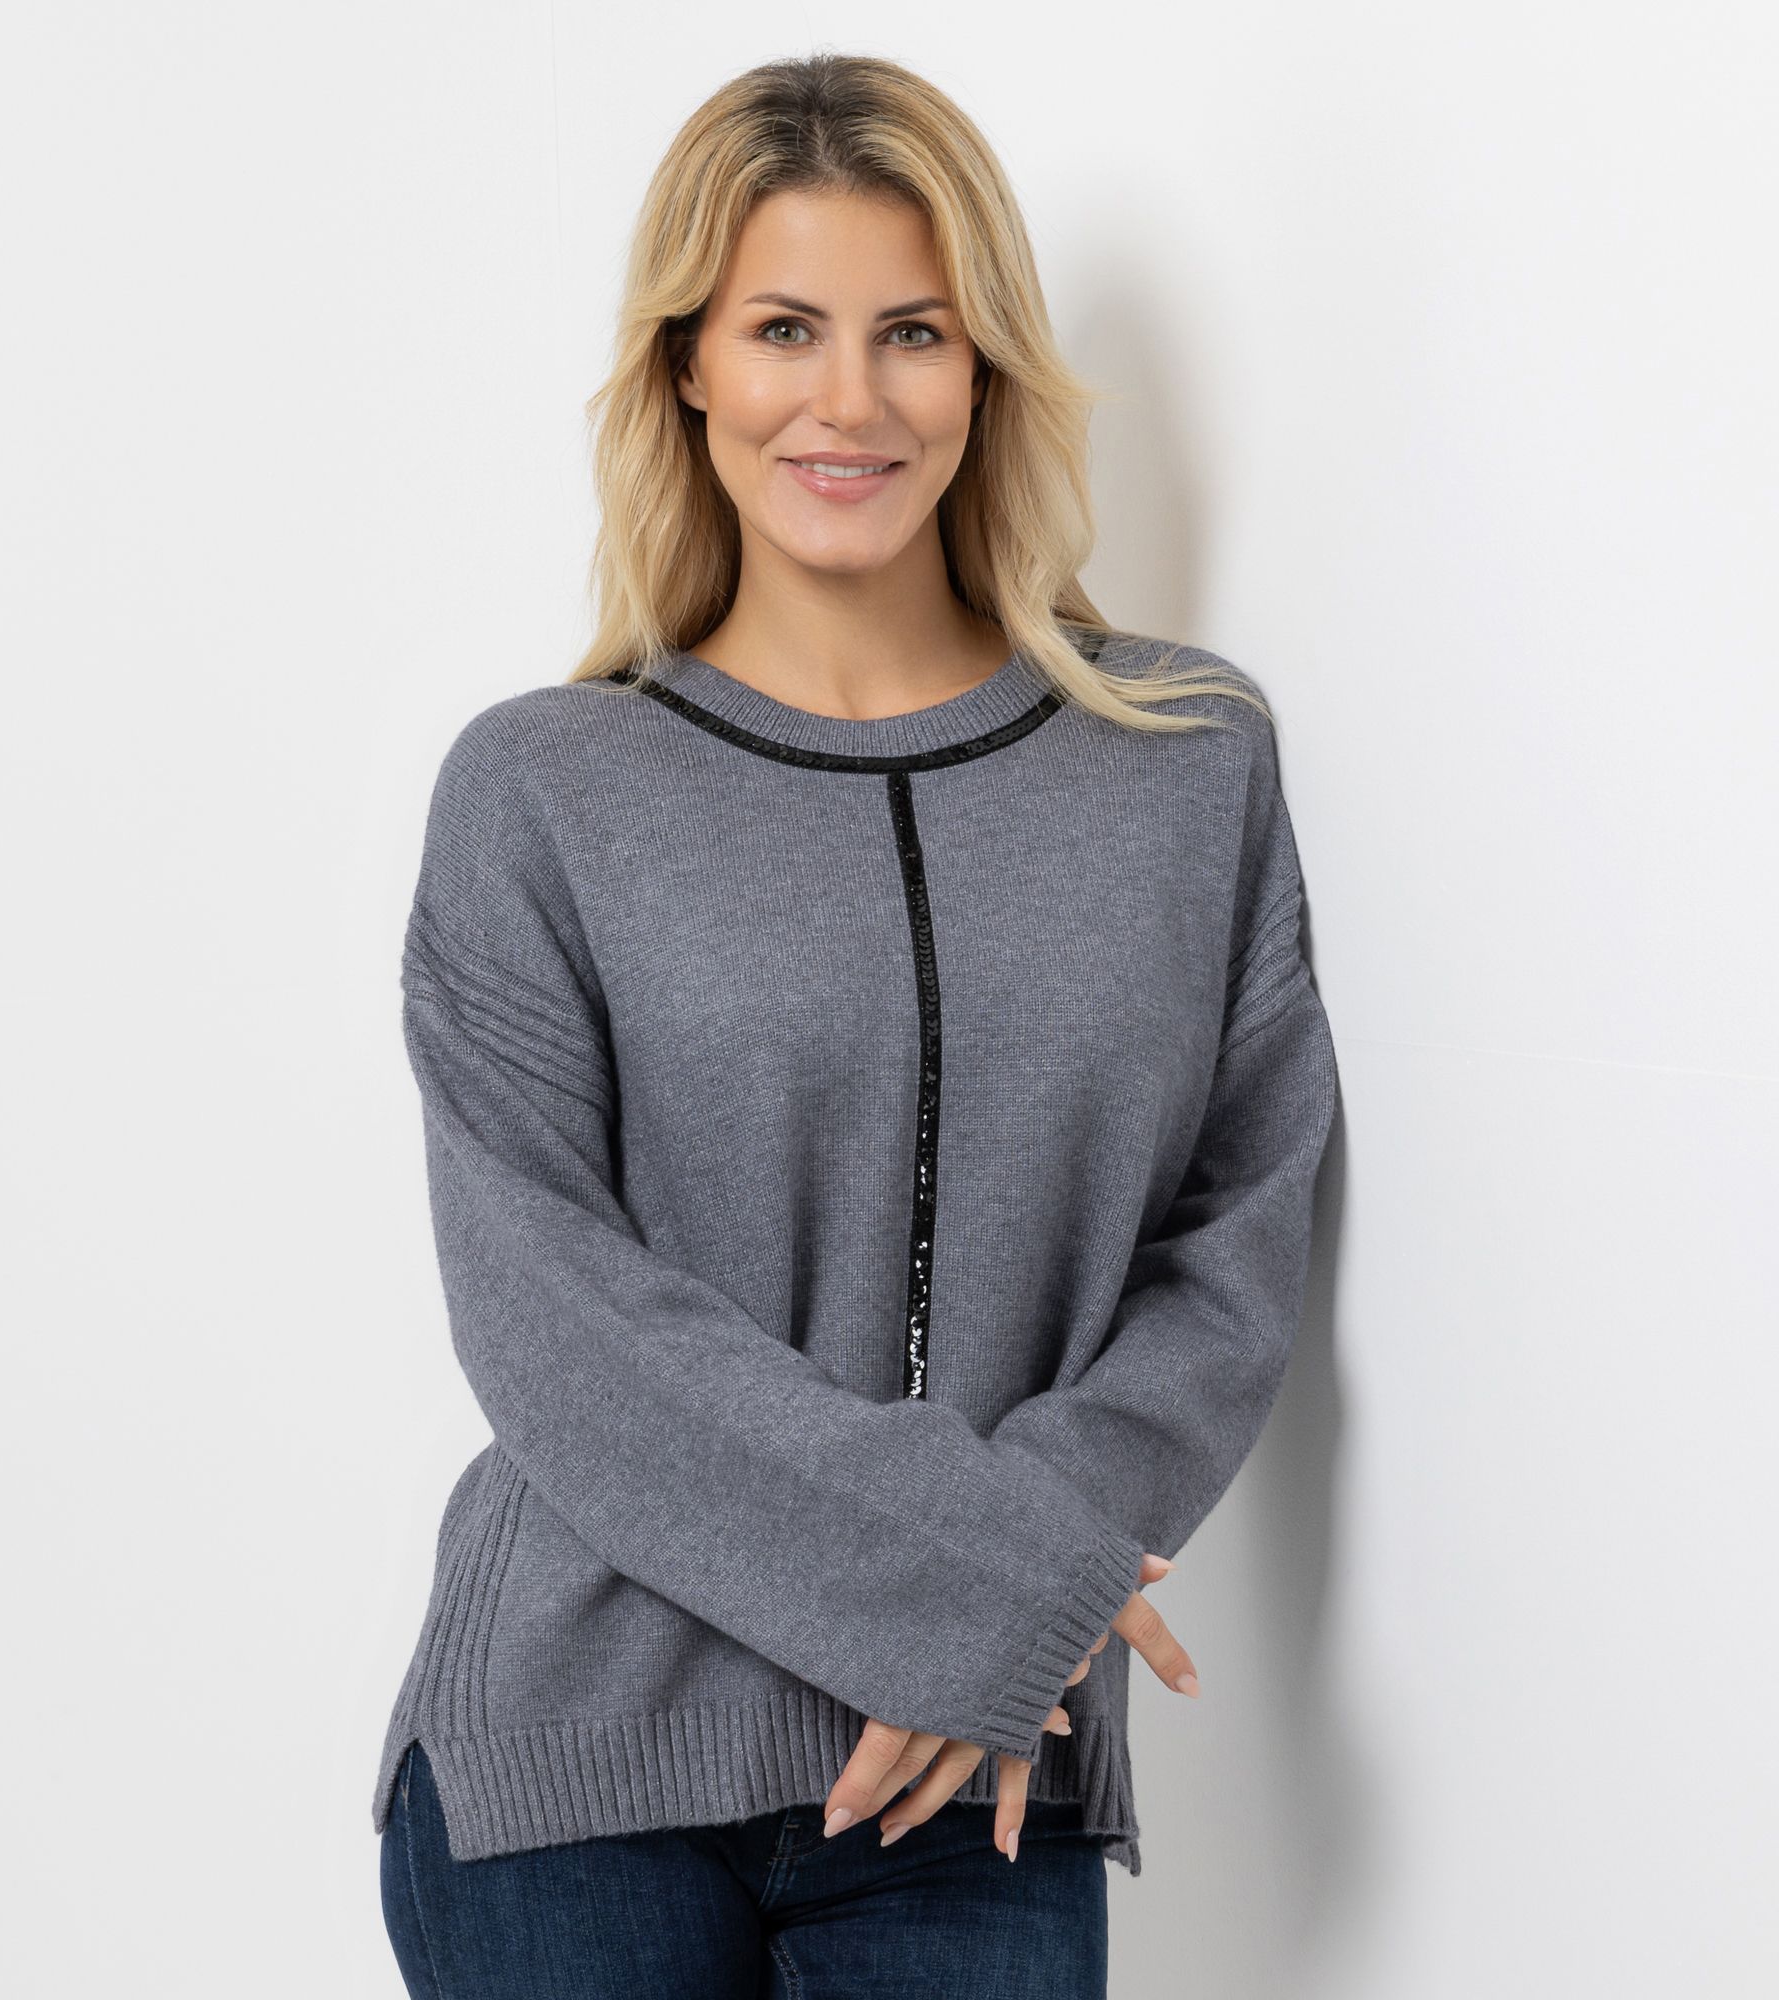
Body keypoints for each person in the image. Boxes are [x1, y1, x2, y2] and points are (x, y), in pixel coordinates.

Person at [373, 49, 1338, 2000]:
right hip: (579, 1761)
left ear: (984, 370)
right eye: (783, 329)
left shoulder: (1185, 762)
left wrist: (1015, 1585)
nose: (850, 399)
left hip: (978, 1776)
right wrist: (975, 1585)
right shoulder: (544, 789)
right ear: (687, 368)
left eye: (913, 332)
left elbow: (1236, 1242)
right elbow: (550, 1316)